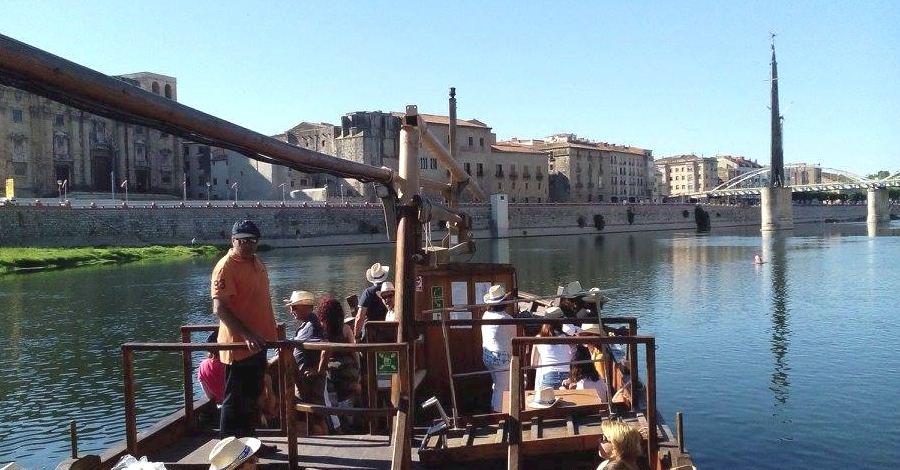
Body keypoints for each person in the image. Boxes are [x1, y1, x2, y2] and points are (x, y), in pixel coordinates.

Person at [211, 220, 278, 445]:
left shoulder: (257, 262)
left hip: (259, 344)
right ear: (233, 241)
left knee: (252, 398)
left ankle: (250, 445)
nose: (249, 245)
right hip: (239, 346)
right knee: (234, 401)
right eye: (243, 240)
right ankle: (227, 449)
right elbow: (220, 308)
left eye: (253, 241)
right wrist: (247, 335)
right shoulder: (226, 266)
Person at [317, 296, 361, 431]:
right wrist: (358, 372)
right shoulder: (346, 328)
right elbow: (355, 353)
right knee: (349, 400)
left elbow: (323, 354)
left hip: (331, 373)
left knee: (332, 402)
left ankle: (338, 428)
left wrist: (319, 370)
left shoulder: (323, 331)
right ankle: (351, 425)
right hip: (348, 371)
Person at [480, 284, 516, 412]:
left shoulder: (485, 315)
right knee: (502, 388)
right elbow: (514, 340)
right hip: (501, 359)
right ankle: (498, 414)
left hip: (487, 357)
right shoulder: (507, 319)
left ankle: (496, 408)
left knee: (496, 383)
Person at [530, 306, 574, 390]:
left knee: (546, 401)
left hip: (549, 377)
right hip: (567, 378)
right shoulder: (568, 339)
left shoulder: (538, 338)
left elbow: (533, 365)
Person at [354, 263, 390, 341]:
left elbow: (360, 317)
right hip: (388, 332)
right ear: (384, 276)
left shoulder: (368, 292)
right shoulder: (391, 291)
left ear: (372, 278)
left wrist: (356, 337)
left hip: (370, 333)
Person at [198, 329, 226, 405]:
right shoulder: (228, 364)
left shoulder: (203, 364)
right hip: (233, 404)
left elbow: (207, 393)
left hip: (215, 404)